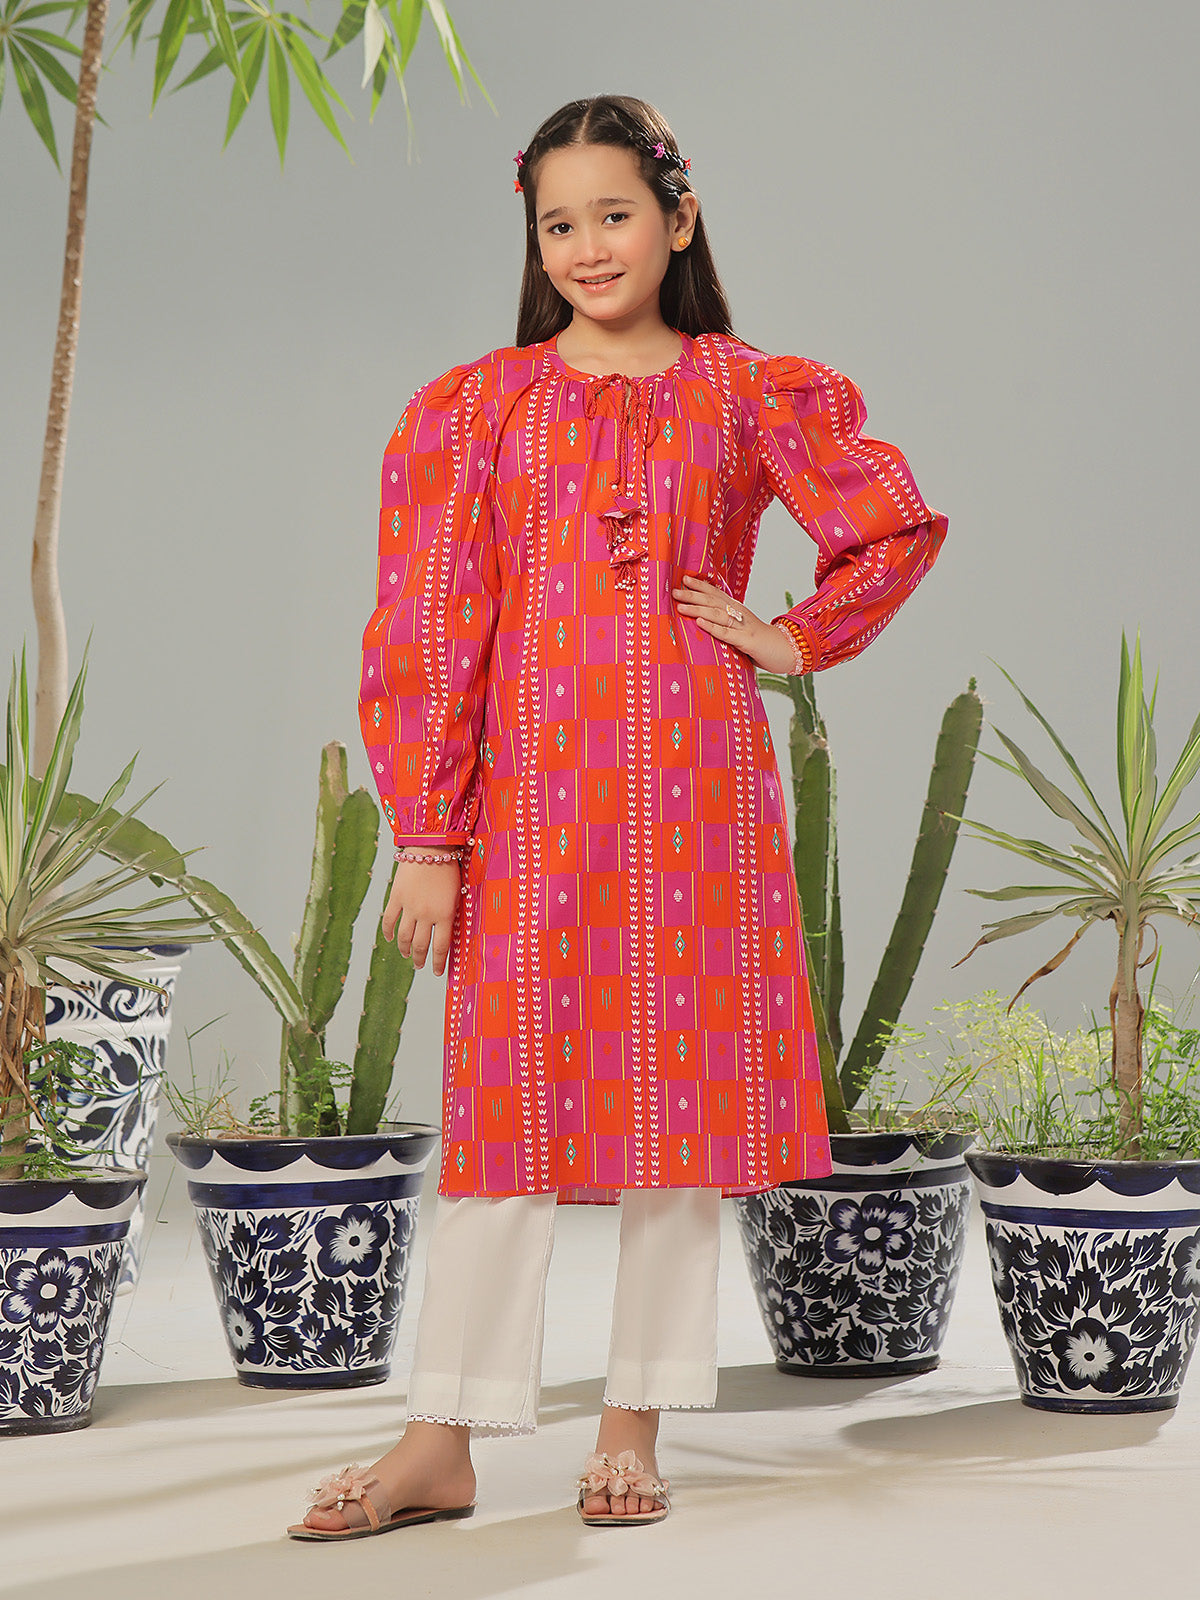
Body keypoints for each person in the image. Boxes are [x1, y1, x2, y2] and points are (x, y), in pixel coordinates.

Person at [288, 93, 946, 1541]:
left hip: (698, 792)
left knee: (680, 1106)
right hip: (531, 800)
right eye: (558, 225)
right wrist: (427, 834)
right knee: (503, 1107)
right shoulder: (477, 407)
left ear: (678, 218)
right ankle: (443, 1436)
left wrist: (793, 636)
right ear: (534, 240)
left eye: (615, 215)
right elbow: (430, 622)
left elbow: (889, 526)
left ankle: (634, 1424)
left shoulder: (750, 392)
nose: (588, 247)